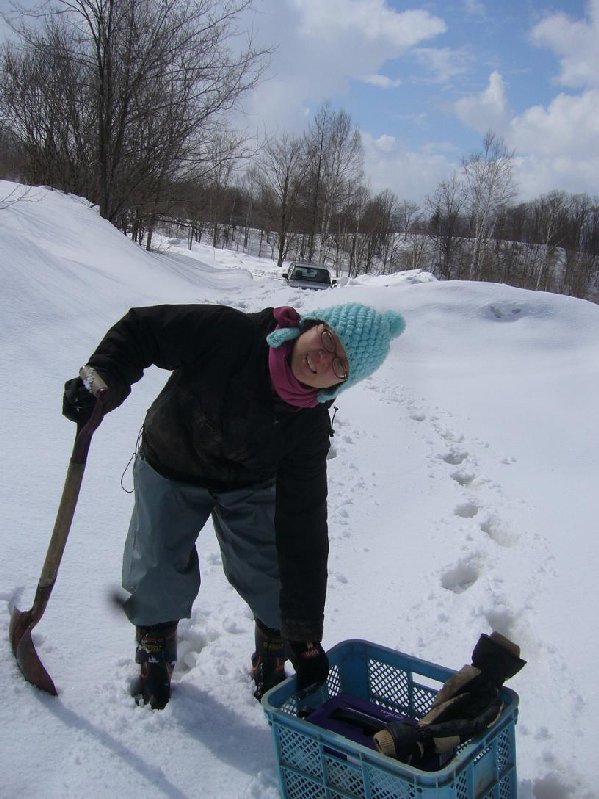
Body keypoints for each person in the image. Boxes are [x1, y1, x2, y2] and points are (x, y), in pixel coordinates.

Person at [62, 302, 405, 709]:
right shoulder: (232, 332)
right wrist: (103, 377)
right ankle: (155, 639)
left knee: (272, 568)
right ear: (313, 325)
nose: (323, 357)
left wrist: (305, 636)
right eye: (328, 339)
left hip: (251, 484)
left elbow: (304, 528)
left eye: (341, 364)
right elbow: (143, 329)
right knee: (156, 562)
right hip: (172, 460)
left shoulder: (307, 427)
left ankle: (274, 642)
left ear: (341, 383)